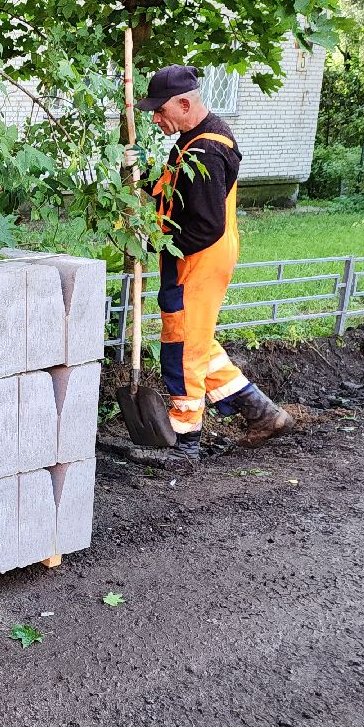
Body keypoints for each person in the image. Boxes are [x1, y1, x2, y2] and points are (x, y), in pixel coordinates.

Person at [135, 64, 295, 465]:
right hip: (198, 258)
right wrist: (142, 174)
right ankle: (262, 413)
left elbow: (206, 225)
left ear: (184, 104)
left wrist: (159, 244)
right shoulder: (194, 139)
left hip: (197, 259)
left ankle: (185, 441)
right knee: (198, 342)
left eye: (159, 111)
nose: (155, 119)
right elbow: (178, 192)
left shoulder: (207, 149)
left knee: (183, 349)